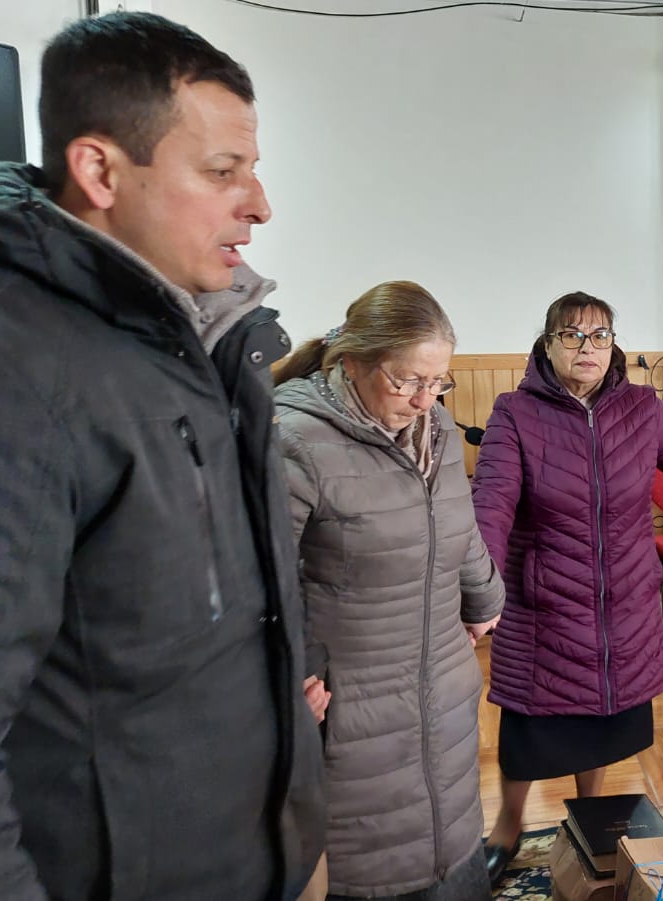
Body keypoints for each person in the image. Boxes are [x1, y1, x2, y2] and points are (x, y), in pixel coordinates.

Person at [0, 12, 325, 900]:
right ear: (99, 172)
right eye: (222, 171)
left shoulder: (211, 334)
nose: (260, 204)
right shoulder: (2, 370)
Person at [471, 292, 663, 885]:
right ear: (548, 344)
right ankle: (507, 826)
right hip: (546, 601)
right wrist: (481, 589)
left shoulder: (642, 408)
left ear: (613, 344)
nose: (587, 347)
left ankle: (590, 822)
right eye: (572, 334)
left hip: (623, 601)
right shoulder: (515, 412)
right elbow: (492, 502)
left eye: (599, 335)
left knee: (604, 719)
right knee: (530, 725)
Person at [274, 282, 505, 901]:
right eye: (407, 381)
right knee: (377, 856)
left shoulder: (437, 425)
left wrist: (484, 601)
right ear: (352, 361)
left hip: (442, 679)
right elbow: (263, 580)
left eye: (438, 382)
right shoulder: (295, 438)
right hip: (356, 699)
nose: (425, 399)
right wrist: (291, 675)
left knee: (451, 840)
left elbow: (458, 523)